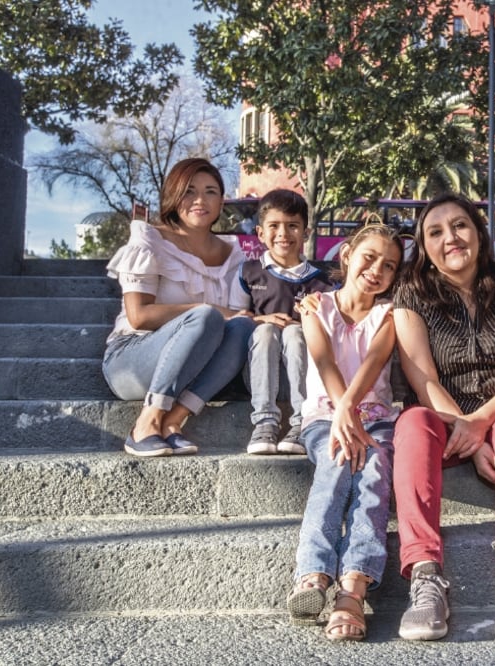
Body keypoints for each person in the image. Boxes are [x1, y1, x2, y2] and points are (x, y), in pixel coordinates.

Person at [391, 193, 495, 642]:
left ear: (478, 232)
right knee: (412, 423)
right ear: (424, 245)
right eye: (435, 232)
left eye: (459, 226)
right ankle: (424, 575)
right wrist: (473, 437)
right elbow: (424, 380)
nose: (450, 238)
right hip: (444, 415)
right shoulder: (410, 291)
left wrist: (483, 421)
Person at [283, 223, 404, 642]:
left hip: (376, 420)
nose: (376, 270)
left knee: (373, 475)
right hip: (323, 418)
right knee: (336, 464)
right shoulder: (316, 306)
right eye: (369, 257)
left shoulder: (389, 315)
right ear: (347, 255)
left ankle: (353, 585)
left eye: (389, 266)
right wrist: (341, 416)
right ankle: (313, 574)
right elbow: (324, 362)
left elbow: (373, 363)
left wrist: (351, 411)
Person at [102, 158, 256, 457]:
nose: (200, 200)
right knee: (206, 316)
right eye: (189, 191)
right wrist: (206, 307)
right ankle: (146, 422)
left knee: (244, 327)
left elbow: (238, 317)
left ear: (221, 200)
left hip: (199, 367)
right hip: (132, 360)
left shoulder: (234, 254)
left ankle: (174, 420)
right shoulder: (149, 240)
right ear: (173, 197)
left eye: (211, 191)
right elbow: (139, 316)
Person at [231, 189, 334, 455]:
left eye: (292, 226)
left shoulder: (321, 282)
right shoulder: (248, 272)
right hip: (256, 374)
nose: (283, 234)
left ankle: (302, 421)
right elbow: (234, 319)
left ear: (306, 233)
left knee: (295, 334)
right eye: (274, 226)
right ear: (260, 233)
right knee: (265, 330)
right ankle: (265, 421)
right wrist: (262, 319)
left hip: (304, 376)